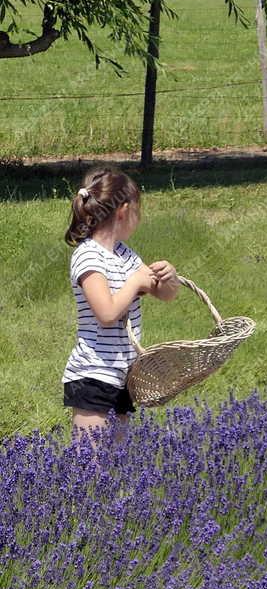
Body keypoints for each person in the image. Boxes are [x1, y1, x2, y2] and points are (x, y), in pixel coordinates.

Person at [63, 168, 180, 440]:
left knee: (116, 467)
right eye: (138, 211)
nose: (139, 219)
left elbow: (164, 294)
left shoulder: (125, 255)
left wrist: (168, 278)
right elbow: (106, 313)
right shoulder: (88, 256)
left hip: (123, 375)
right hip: (93, 375)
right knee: (89, 468)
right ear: (123, 211)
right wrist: (135, 282)